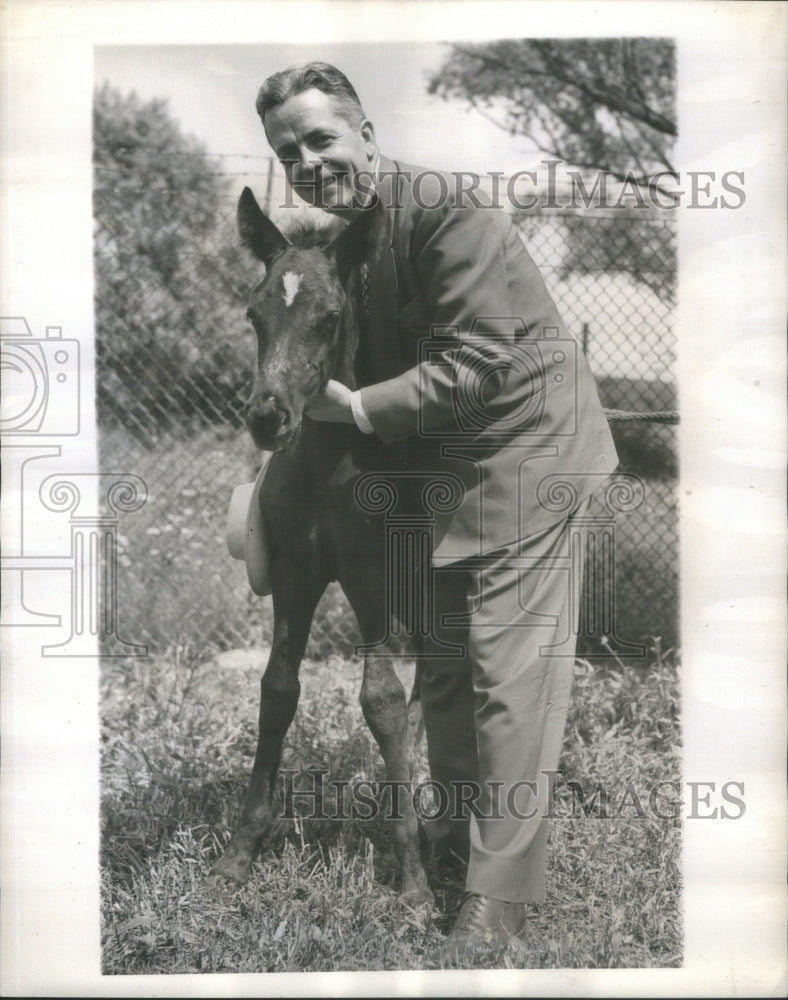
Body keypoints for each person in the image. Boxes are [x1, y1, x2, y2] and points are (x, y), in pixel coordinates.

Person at [255, 61, 618, 960]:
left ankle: (500, 907)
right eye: (287, 150)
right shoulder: (352, 243)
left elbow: (478, 364)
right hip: (451, 468)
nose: (306, 159)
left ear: (365, 132)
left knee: (509, 676)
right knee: (448, 666)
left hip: (531, 453)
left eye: (320, 137)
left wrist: (361, 409)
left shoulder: (451, 209)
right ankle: (455, 848)